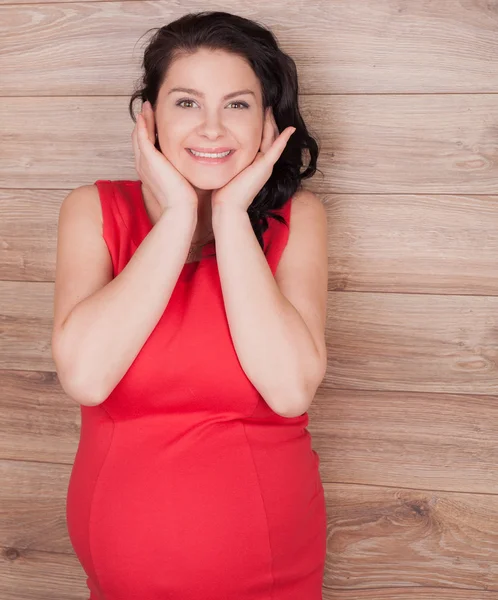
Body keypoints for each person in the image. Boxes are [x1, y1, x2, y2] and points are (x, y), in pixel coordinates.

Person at [51, 10, 329, 600]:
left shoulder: (295, 221)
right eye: (185, 103)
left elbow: (289, 389)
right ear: (148, 117)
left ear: (267, 121)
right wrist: (179, 215)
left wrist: (228, 214)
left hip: (273, 573)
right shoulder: (91, 211)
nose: (211, 128)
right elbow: (86, 376)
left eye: (236, 105)